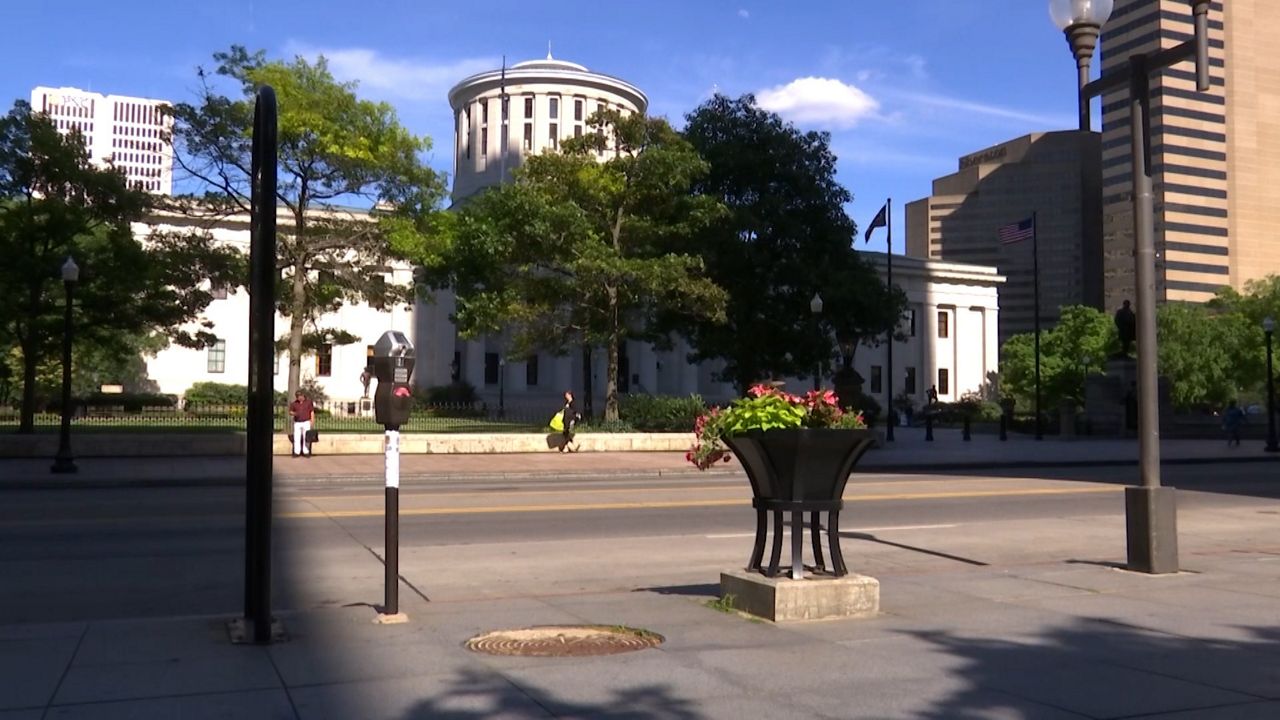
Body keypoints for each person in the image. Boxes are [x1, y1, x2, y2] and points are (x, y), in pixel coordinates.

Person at [289, 390, 315, 458]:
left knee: (306, 437)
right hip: (297, 422)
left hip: (306, 421)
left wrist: (312, 421)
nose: (300, 397)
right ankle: (296, 452)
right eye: (298, 396)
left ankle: (306, 451)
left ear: (303, 396)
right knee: (297, 437)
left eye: (301, 396)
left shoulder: (308, 403)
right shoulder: (294, 404)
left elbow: (311, 412)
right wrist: (293, 413)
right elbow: (290, 411)